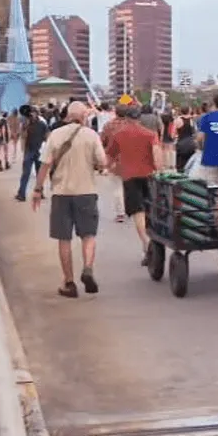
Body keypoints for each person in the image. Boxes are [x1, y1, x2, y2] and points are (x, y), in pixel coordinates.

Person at [32, 101, 106, 298]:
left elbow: (45, 165)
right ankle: (88, 268)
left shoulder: (55, 135)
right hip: (86, 192)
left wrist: (38, 190)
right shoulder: (91, 135)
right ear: (83, 117)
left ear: (67, 116)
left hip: (61, 194)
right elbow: (102, 162)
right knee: (88, 235)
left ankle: (69, 282)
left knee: (64, 239)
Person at [105, 109, 159, 266]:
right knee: (150, 209)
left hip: (130, 177)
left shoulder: (119, 134)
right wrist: (159, 170)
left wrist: (106, 168)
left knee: (138, 213)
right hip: (149, 175)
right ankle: (154, 239)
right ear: (139, 118)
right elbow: (157, 155)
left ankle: (146, 243)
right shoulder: (149, 134)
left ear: (126, 119)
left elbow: (110, 156)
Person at [15, 106, 48, 202]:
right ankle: (21, 194)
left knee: (39, 173)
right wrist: (26, 126)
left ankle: (40, 192)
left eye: (33, 112)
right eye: (30, 113)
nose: (31, 114)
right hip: (29, 151)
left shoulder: (42, 124)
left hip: (38, 151)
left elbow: (47, 137)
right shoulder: (26, 124)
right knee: (26, 173)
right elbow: (22, 136)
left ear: (37, 113)